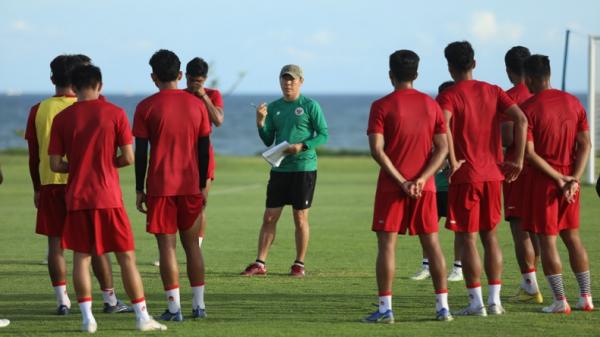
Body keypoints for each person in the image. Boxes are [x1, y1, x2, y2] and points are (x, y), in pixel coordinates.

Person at [48, 64, 166, 332]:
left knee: (81, 258)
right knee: (126, 258)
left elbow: (55, 164)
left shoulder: (62, 119)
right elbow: (128, 157)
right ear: (99, 85)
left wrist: (78, 165)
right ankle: (141, 317)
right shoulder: (115, 113)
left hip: (77, 197)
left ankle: (88, 319)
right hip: (108, 196)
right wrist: (106, 162)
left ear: (73, 88)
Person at [24, 55, 131, 315]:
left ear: (52, 79)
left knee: (55, 245)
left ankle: (62, 301)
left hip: (52, 183)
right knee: (95, 246)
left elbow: (35, 154)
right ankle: (110, 299)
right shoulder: (96, 106)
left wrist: (37, 187)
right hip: (87, 187)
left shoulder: (39, 109)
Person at [437, 41, 528, 316]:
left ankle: (476, 303)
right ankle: (495, 302)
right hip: (492, 175)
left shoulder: (448, 96)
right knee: (491, 237)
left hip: (465, 176)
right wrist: (518, 160)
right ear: (474, 63)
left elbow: (442, 128)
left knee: (467, 239)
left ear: (450, 67)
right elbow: (521, 120)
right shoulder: (494, 90)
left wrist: (452, 160)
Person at [362, 50, 451, 323]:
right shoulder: (431, 105)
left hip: (392, 187)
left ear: (391, 75)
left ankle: (386, 308)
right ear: (416, 74)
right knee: (432, 244)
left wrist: (402, 181)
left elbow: (377, 150)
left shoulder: (381, 105)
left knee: (387, 246)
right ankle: (442, 308)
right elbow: (443, 149)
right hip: (425, 189)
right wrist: (423, 179)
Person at [134, 49, 211, 321]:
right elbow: (204, 150)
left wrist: (139, 189)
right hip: (190, 185)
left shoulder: (145, 107)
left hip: (160, 187)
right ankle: (199, 306)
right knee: (193, 246)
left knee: (166, 249)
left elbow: (141, 152)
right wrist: (202, 185)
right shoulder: (198, 105)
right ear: (180, 75)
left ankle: (174, 308)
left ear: (153, 77)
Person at [521, 54, 593, 314]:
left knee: (548, 241)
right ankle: (585, 297)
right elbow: (585, 144)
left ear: (529, 78)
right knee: (572, 237)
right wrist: (574, 177)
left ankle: (560, 300)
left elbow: (529, 153)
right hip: (569, 180)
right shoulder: (573, 102)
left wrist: (559, 178)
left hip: (545, 181)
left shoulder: (528, 108)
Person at [241, 64, 328, 277]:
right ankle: (260, 263)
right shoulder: (274, 107)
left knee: (300, 217)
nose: (288, 83)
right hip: (280, 168)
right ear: (280, 81)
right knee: (270, 216)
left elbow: (323, 134)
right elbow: (268, 139)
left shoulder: (310, 105)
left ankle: (299, 264)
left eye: (292, 79)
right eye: (284, 79)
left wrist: (303, 146)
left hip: (304, 167)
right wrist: (260, 122)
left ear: (301, 81)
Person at [502, 46, 543, 304]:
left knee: (520, 229)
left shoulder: (508, 98)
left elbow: (507, 137)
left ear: (508, 71)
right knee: (538, 228)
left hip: (518, 170)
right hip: (544, 168)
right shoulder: (544, 95)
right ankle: (534, 283)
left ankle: (530, 286)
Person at [411, 81, 463, 283]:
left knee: (458, 227)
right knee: (428, 226)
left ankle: (458, 268)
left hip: (454, 185)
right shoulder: (433, 121)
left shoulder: (458, 125)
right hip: (434, 184)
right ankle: (427, 265)